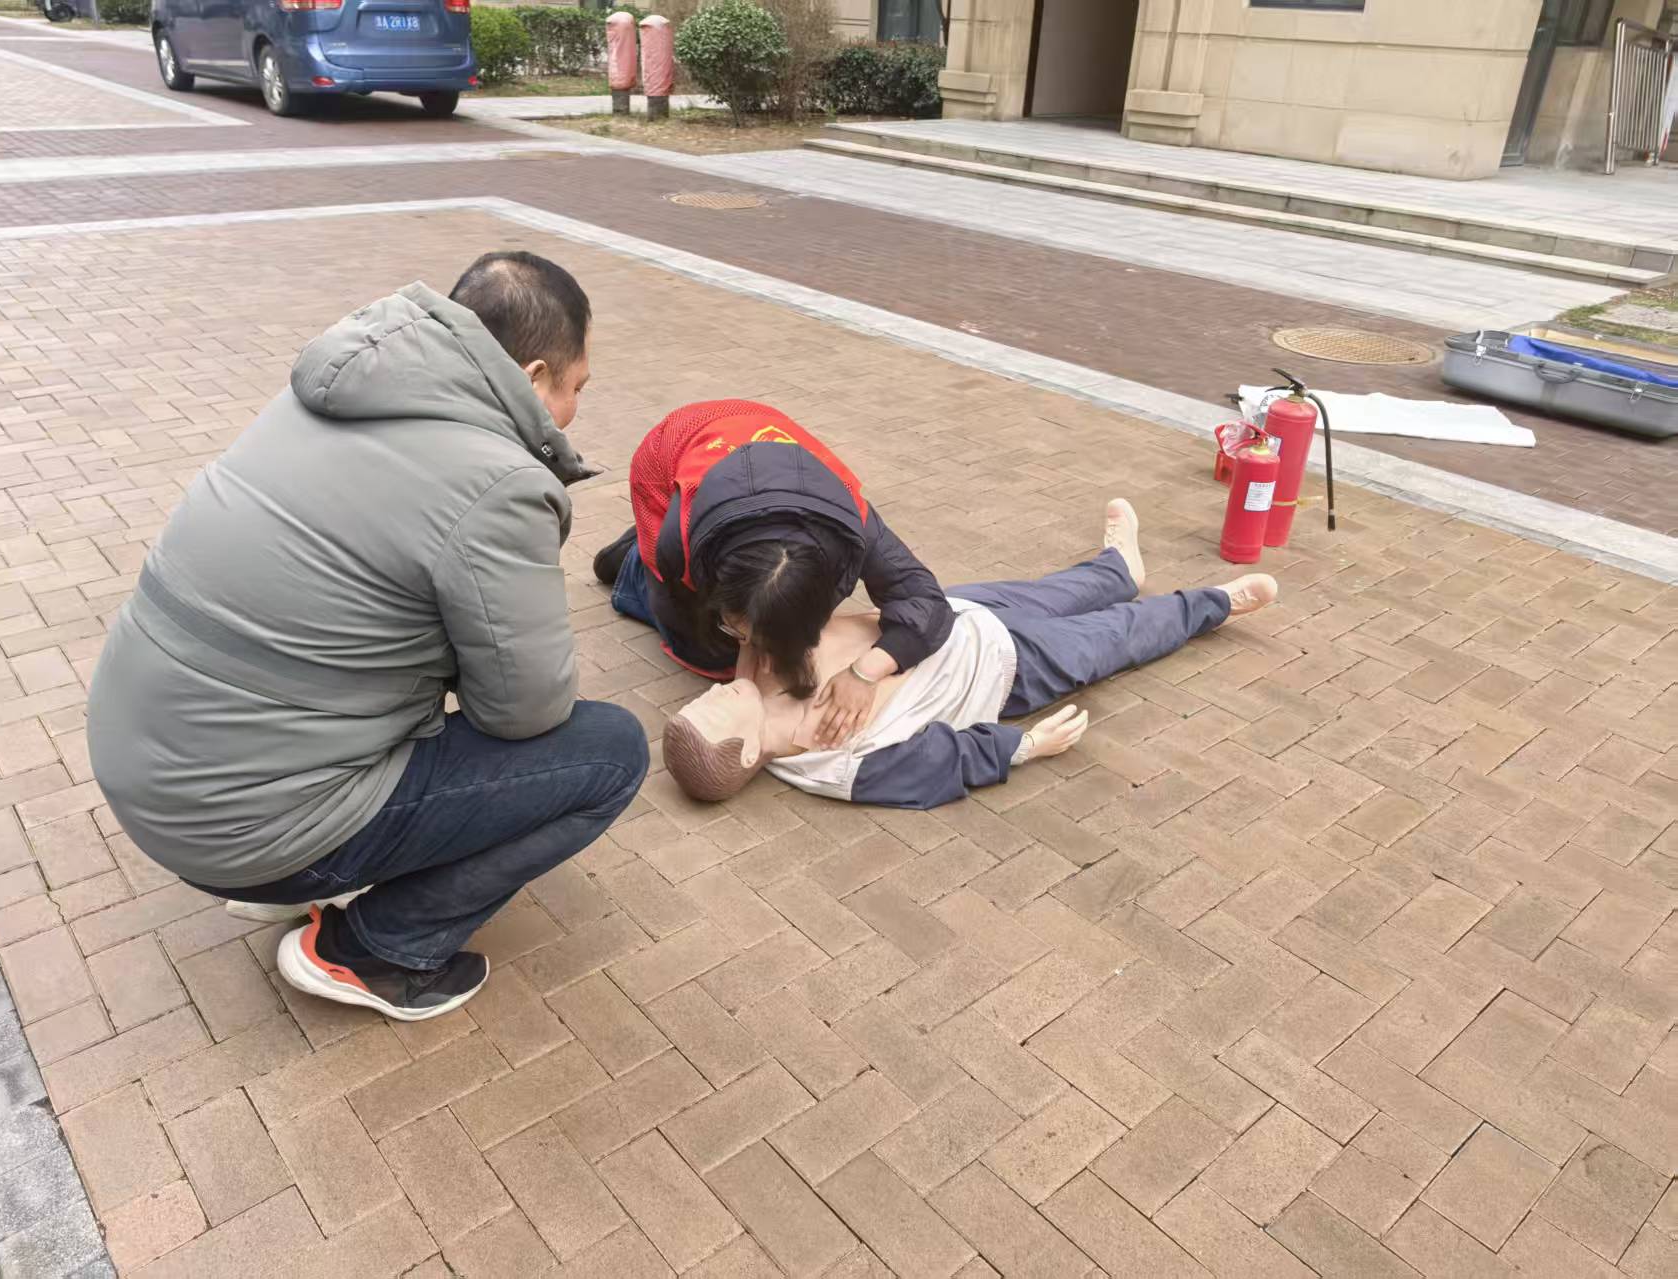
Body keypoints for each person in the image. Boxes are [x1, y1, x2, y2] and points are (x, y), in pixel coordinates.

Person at [87, 252, 648, 1022]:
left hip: (144, 760)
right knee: (609, 753)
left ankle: (303, 872)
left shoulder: (329, 391)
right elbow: (525, 711)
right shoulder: (496, 483)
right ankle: (378, 948)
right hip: (241, 822)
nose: (575, 410)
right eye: (577, 387)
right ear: (534, 374)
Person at [662, 499, 1278, 809]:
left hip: (942, 615)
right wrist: (1024, 747)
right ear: (748, 751)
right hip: (1007, 669)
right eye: (714, 711)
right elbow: (938, 763)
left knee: (1058, 592)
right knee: (1117, 637)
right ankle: (1213, 604)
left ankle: (1118, 567)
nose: (713, 693)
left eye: (699, 701)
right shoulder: (835, 767)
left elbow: (750, 618)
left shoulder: (752, 670)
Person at [593, 399, 953, 749]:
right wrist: (747, 644)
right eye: (737, 626)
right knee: (704, 649)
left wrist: (866, 673)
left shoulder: (854, 527)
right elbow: (685, 597)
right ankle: (632, 562)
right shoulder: (679, 540)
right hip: (671, 450)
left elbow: (925, 598)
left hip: (753, 443)